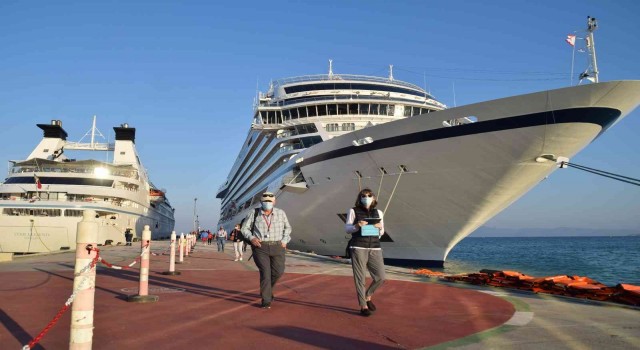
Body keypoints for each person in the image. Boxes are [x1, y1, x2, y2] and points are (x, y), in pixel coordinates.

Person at [241, 191, 291, 309]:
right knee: (265, 273)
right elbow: (244, 228)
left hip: (278, 246)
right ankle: (266, 300)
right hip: (260, 247)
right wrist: (252, 238)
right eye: (265, 201)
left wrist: (285, 240)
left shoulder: (281, 213)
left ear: (274, 201)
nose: (268, 203)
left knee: (279, 271)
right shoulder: (254, 213)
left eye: (270, 201)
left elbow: (287, 228)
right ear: (261, 202)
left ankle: (267, 290)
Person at [345, 188, 386, 317]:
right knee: (360, 277)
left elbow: (382, 232)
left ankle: (368, 295)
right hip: (358, 247)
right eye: (363, 195)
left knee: (381, 277)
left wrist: (380, 228)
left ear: (373, 198)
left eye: (369, 195)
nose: (366, 197)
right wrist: (357, 226)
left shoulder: (378, 212)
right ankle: (363, 305)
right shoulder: (353, 211)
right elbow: (347, 229)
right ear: (360, 197)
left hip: (375, 247)